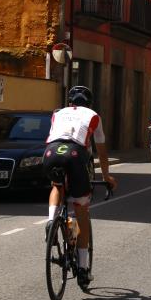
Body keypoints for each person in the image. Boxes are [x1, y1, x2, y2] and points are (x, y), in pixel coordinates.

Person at [42, 86, 117, 287]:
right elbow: (101, 152)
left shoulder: (57, 114)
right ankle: (83, 269)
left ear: (69, 102)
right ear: (90, 104)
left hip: (51, 152)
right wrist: (107, 176)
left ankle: (51, 220)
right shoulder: (94, 116)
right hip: (75, 155)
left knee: (57, 186)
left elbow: (54, 136)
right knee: (80, 209)